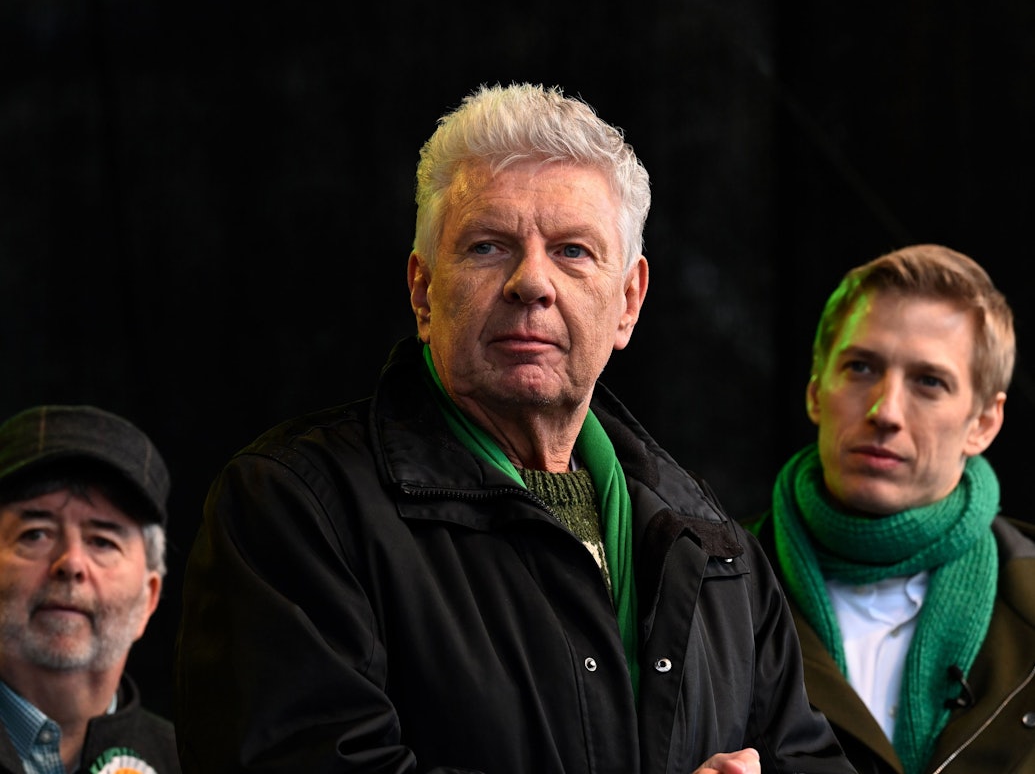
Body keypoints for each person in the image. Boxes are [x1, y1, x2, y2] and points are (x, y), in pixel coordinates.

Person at [174, 82, 855, 774]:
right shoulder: (295, 509)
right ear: (421, 291)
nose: (531, 282)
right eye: (487, 247)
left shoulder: (714, 548)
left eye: (572, 251)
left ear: (628, 302)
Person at [747, 244, 1035, 774]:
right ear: (815, 389)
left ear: (984, 423)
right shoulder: (706, 585)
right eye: (860, 367)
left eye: (929, 382)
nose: (886, 411)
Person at [0, 404, 181, 774]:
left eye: (102, 541)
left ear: (148, 598)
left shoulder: (197, 763)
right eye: (35, 534)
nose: (71, 563)